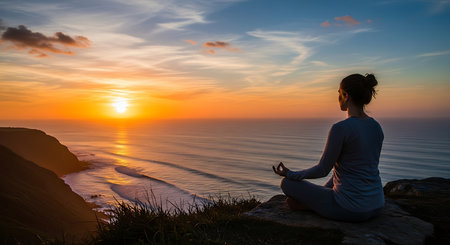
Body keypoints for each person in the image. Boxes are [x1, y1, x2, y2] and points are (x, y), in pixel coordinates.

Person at [273, 73, 384, 222]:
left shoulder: (341, 128)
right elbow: (353, 169)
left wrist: (291, 174)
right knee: (337, 175)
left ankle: (312, 205)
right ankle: (317, 203)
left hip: (351, 208)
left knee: (286, 184)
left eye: (339, 93)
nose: (338, 97)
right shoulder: (376, 127)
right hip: (377, 204)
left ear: (346, 95)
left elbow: (323, 169)